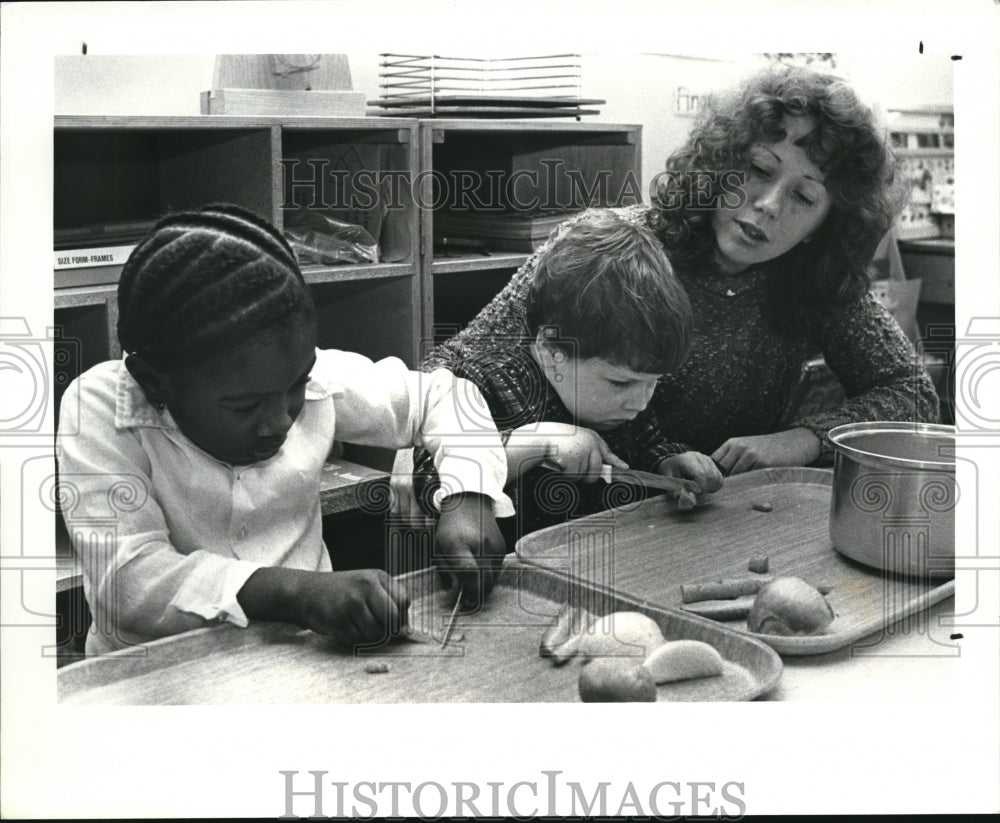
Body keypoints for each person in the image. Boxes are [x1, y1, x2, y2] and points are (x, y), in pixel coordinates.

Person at [409, 63, 939, 487]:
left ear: (826, 224)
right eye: (757, 170)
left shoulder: (814, 277)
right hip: (581, 509)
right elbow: (446, 380)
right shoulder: (613, 248)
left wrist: (803, 439)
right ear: (721, 163)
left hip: (715, 512)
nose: (769, 206)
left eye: (804, 196)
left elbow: (912, 394)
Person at [56, 205, 512, 656]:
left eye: (297, 385)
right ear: (155, 383)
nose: (280, 421)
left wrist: (469, 496)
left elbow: (444, 396)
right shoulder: (98, 407)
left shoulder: (294, 372)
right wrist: (298, 593)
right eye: (244, 407)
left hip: (305, 658)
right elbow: (131, 585)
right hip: (156, 676)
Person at [408, 209, 718, 541]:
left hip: (600, 559)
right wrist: (537, 444)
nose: (640, 403)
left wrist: (668, 464)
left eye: (654, 382)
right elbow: (430, 485)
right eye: (621, 382)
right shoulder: (480, 385)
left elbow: (647, 445)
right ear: (550, 351)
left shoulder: (625, 401)